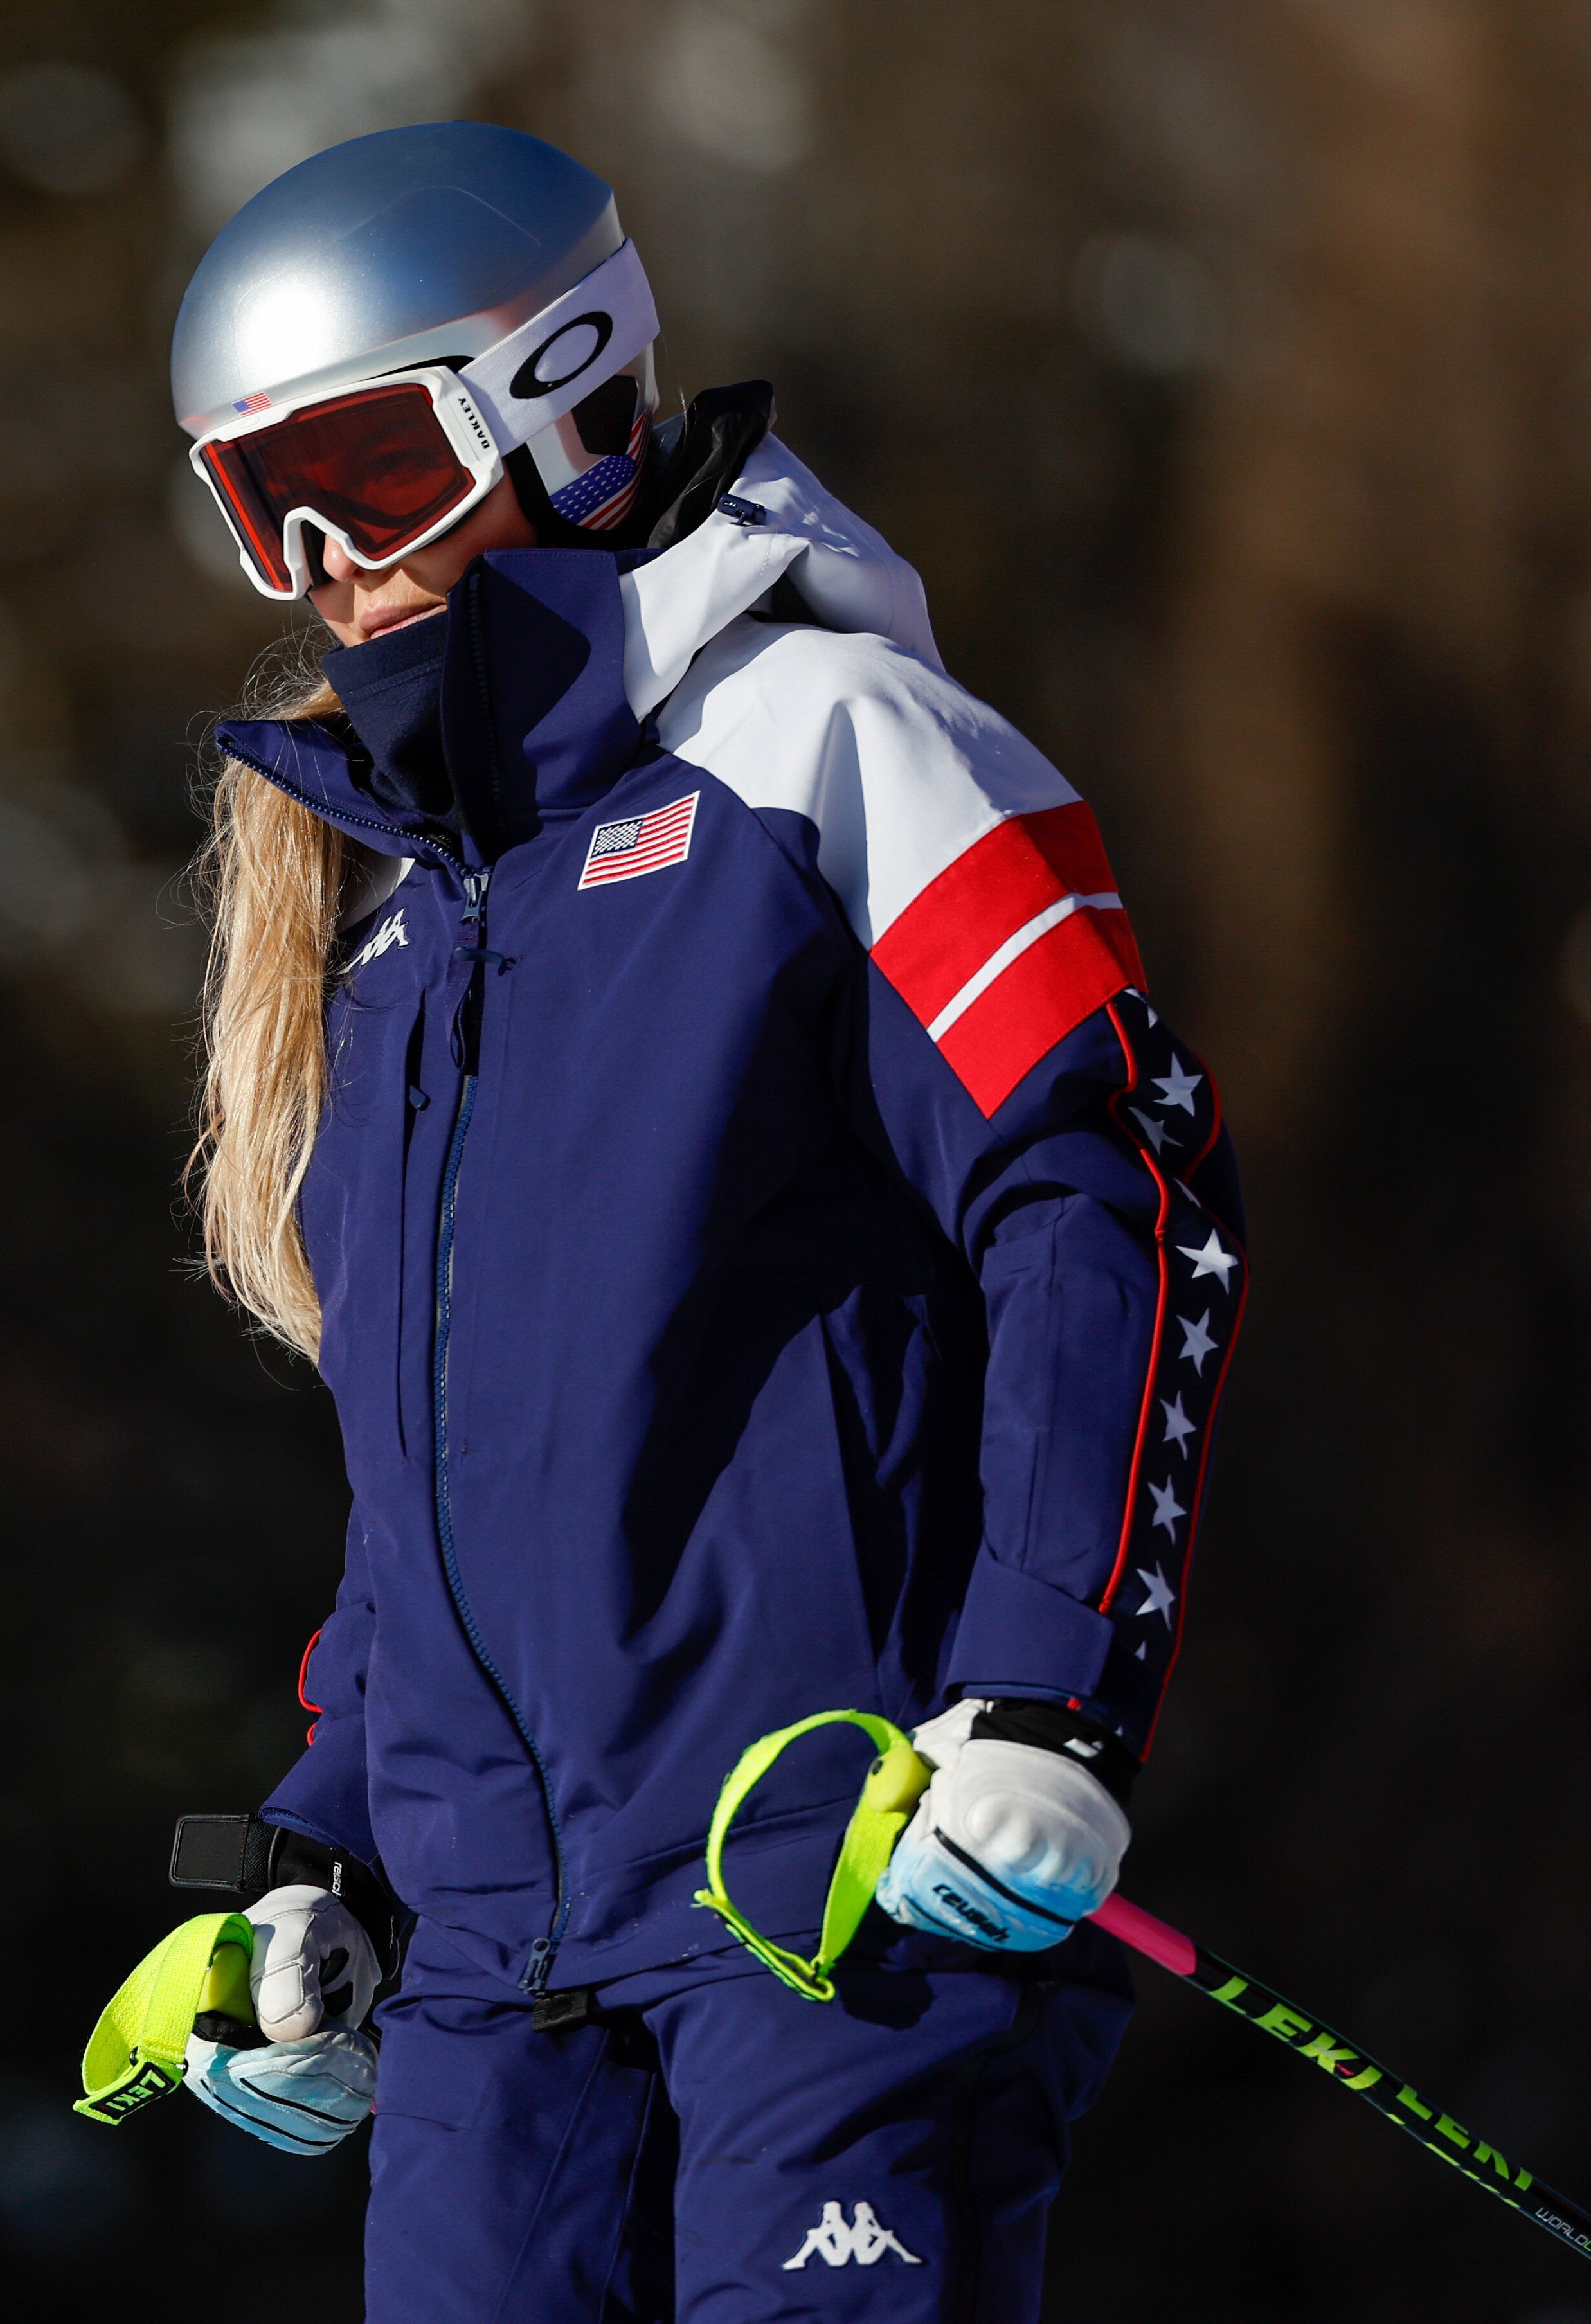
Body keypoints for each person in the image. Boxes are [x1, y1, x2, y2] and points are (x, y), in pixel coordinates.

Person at [150, 122, 1246, 2318]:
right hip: (494, 1985)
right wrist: (330, 1847)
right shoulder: (393, 931)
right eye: (263, 507)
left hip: (830, 1895)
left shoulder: (830, 747)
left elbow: (1113, 1185)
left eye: (371, 475)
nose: (331, 567)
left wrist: (1044, 1700)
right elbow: (444, 1475)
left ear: (562, 395)